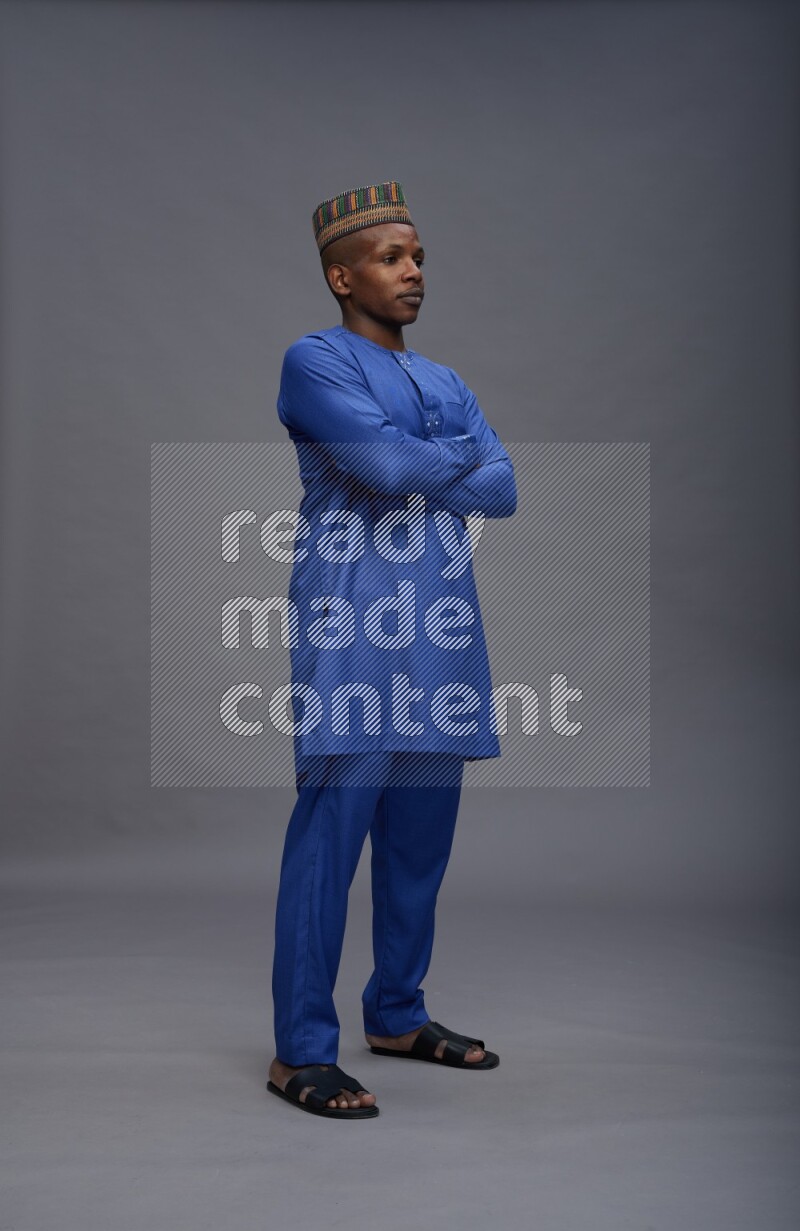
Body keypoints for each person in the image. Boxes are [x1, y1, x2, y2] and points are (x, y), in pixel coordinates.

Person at [267, 181, 516, 1118]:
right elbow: (386, 468)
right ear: (342, 274)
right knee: (330, 838)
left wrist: (428, 454)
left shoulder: (445, 378)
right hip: (352, 623)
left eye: (419, 257)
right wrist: (455, 453)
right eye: (390, 257)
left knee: (421, 840)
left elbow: (506, 493)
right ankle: (299, 1052)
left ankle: (398, 1013)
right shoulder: (313, 361)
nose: (413, 272)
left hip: (441, 628)